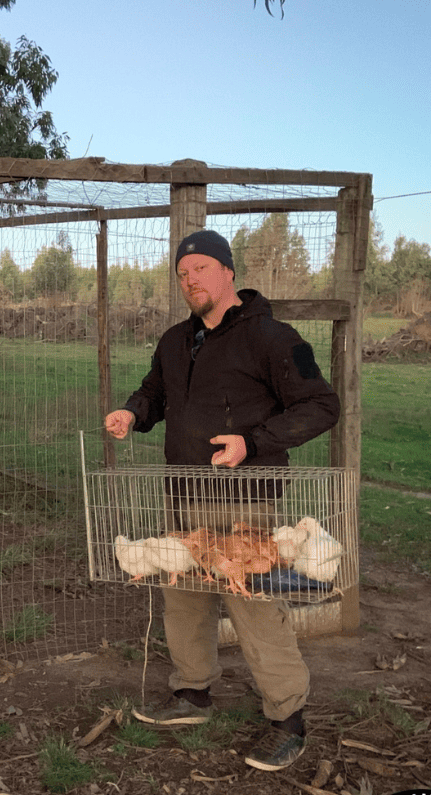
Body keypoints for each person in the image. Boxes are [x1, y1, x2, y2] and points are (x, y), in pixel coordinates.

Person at [104, 228, 341, 772]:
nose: (191, 281)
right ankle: (192, 693)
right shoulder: (174, 341)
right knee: (184, 593)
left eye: (202, 269)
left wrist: (252, 442)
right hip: (183, 494)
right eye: (183, 274)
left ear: (229, 273)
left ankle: (287, 719)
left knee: (252, 603)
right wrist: (133, 414)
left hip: (244, 500)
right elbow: (154, 393)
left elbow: (321, 405)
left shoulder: (275, 339)